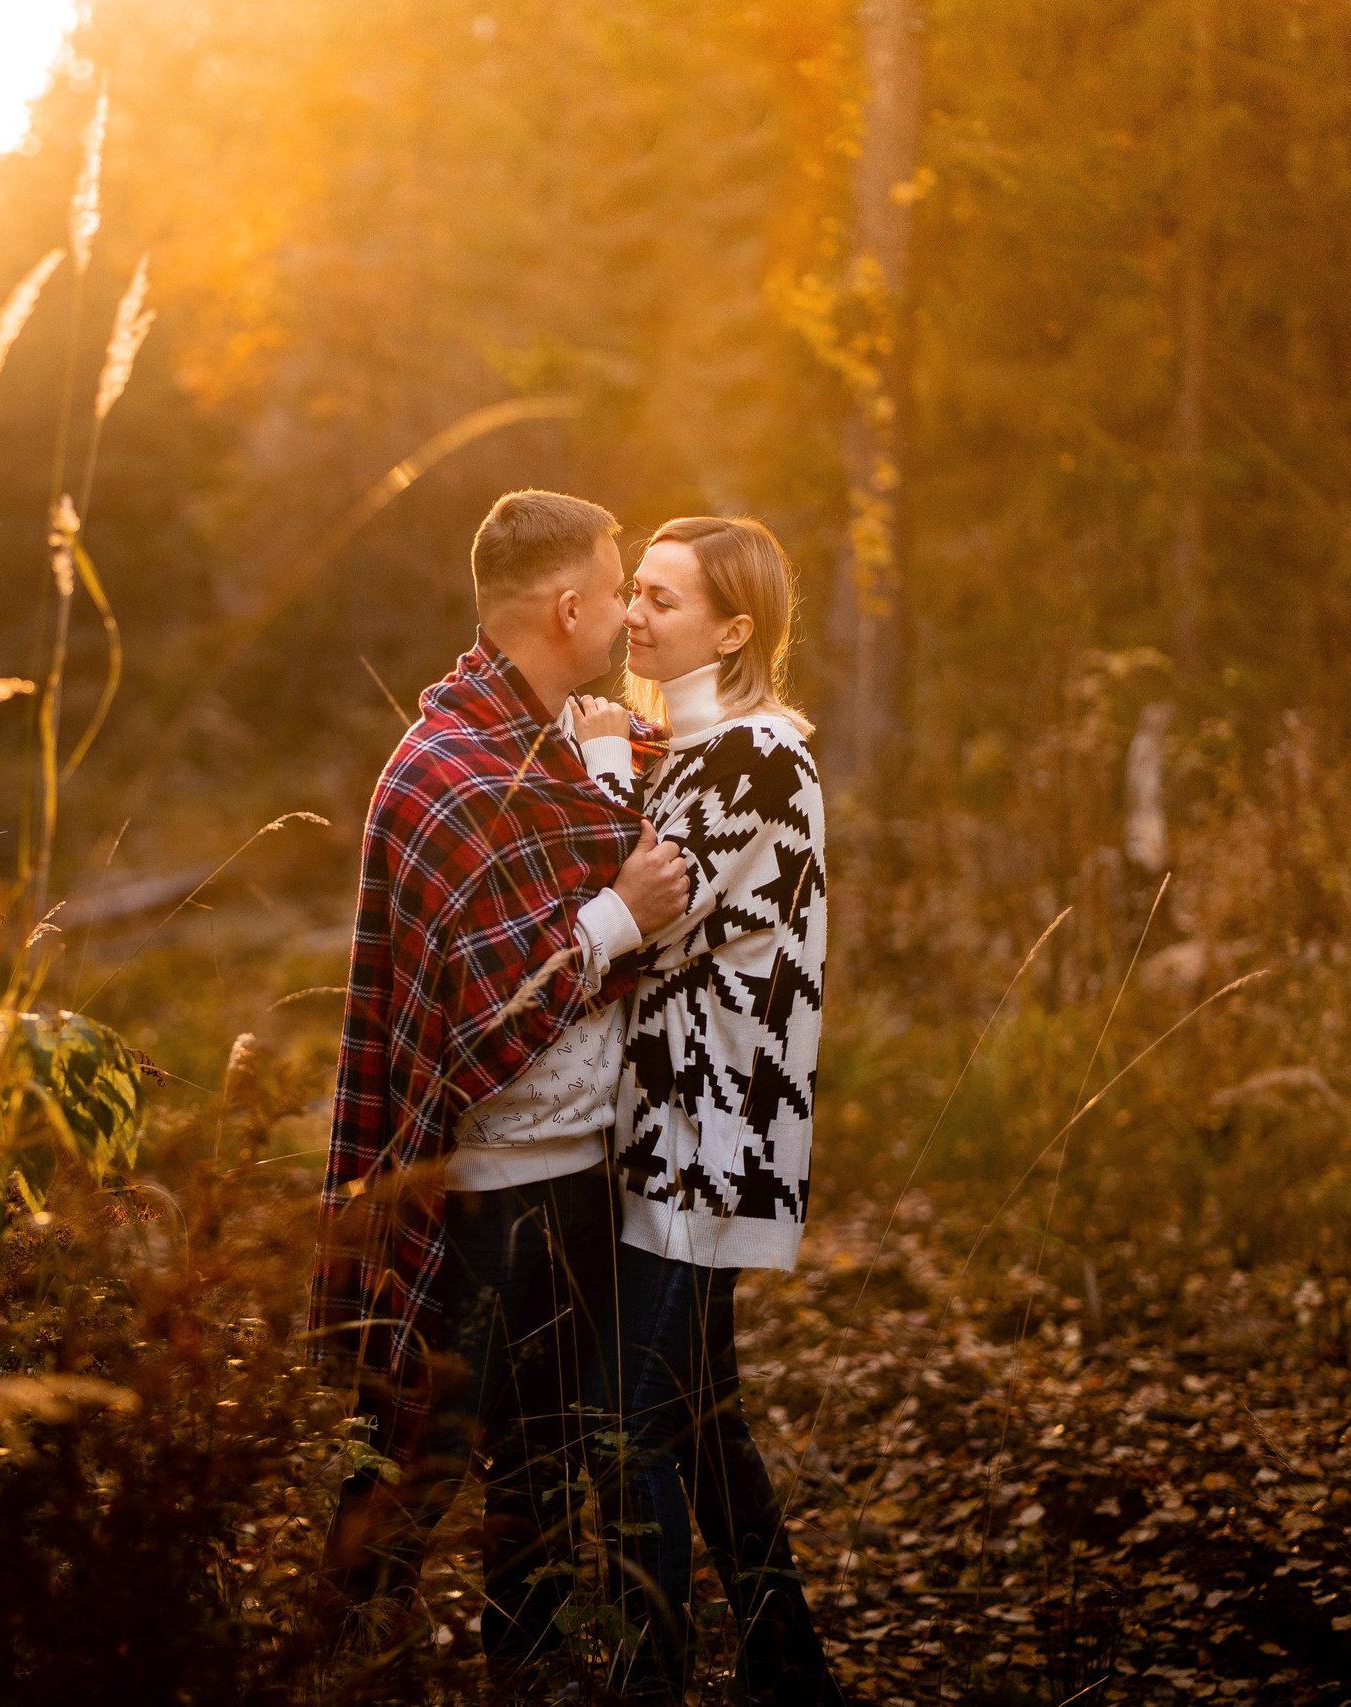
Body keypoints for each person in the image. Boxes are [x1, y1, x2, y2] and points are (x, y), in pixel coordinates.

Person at [312, 490, 693, 1685]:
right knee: (407, 1479)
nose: (631, 610)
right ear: (567, 605)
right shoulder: (440, 770)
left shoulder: (567, 745)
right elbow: (482, 1010)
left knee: (535, 1496)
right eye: (619, 586)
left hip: (579, 1185)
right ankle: (325, 1669)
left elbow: (640, 833)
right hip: (476, 1205)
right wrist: (615, 917)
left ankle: (525, 1677)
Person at [594, 515, 844, 1704]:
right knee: (698, 1417)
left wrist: (600, 770)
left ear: (734, 629)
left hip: (712, 1130)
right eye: (632, 590)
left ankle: (650, 1678)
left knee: (634, 1423)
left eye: (664, 601)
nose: (633, 614)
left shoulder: (754, 755)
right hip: (669, 1126)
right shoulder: (687, 746)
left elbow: (646, 912)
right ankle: (788, 1666)